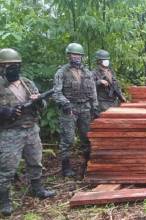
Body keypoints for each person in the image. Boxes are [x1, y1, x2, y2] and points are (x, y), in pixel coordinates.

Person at [0, 48, 56, 216]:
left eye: (16, 65)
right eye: (9, 65)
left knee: (35, 161)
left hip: (31, 129)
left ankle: (37, 189)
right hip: (10, 133)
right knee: (7, 168)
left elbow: (43, 106)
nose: (13, 68)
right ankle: (4, 200)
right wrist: (5, 112)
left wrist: (38, 101)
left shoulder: (27, 83)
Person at [53, 43, 99, 177]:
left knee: (87, 136)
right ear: (68, 56)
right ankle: (66, 167)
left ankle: (87, 164)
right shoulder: (61, 72)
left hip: (85, 108)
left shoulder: (87, 72)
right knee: (68, 138)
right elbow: (56, 92)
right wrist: (65, 103)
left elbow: (93, 91)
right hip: (69, 108)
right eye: (74, 55)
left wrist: (95, 108)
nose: (76, 57)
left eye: (79, 55)